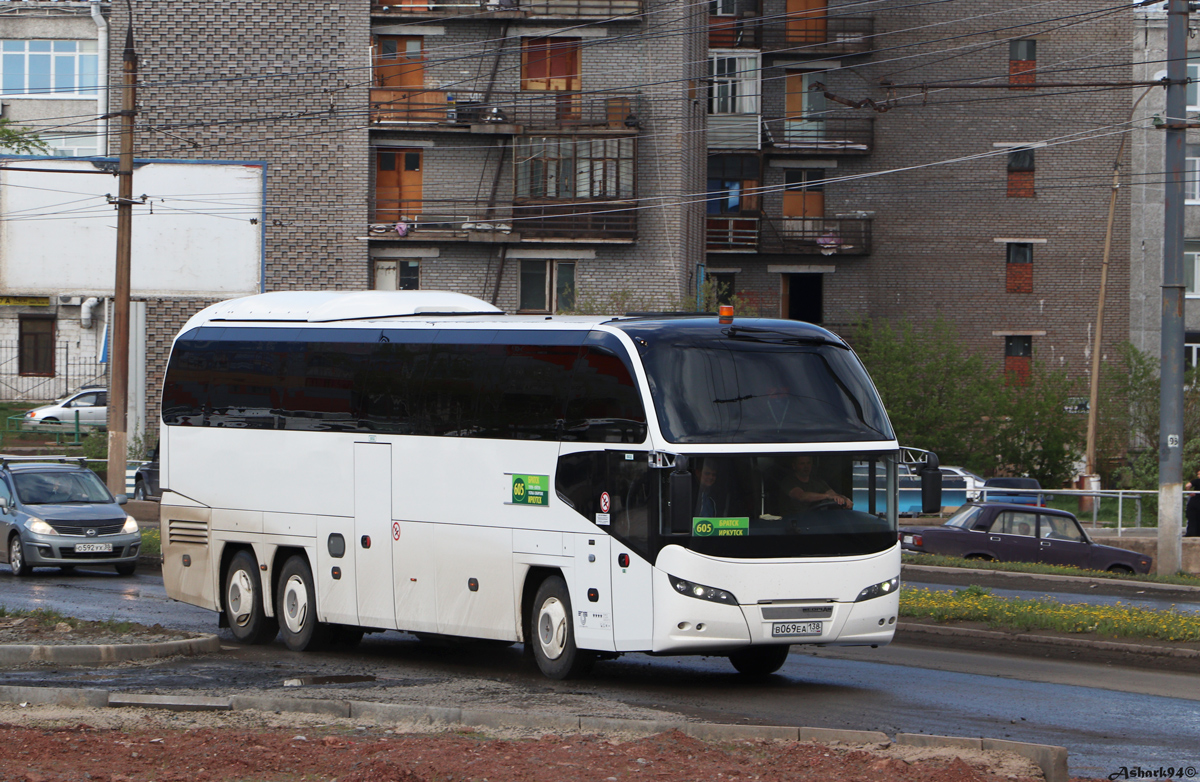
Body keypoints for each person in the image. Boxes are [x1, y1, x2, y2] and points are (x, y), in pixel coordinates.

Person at [780, 454, 851, 514]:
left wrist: (844, 499)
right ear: (794, 466)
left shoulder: (817, 482)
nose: (806, 466)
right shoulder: (788, 482)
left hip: (815, 521)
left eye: (808, 463)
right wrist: (826, 496)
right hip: (793, 521)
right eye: (802, 464)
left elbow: (832, 494)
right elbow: (801, 496)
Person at [1186, 468, 1200, 537]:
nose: (1198, 475)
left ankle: (1191, 533)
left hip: (1195, 501)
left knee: (1192, 518)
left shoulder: (1197, 481)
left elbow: (1187, 485)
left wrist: (1189, 492)